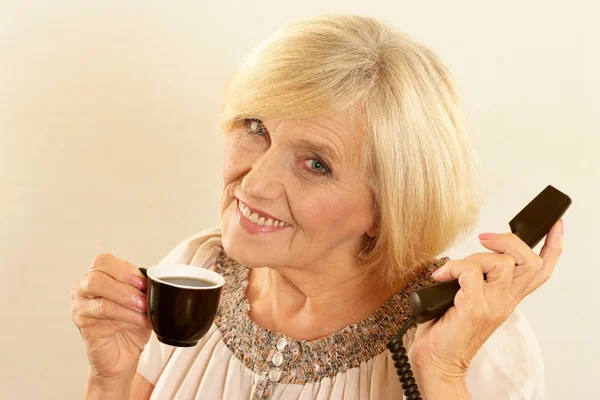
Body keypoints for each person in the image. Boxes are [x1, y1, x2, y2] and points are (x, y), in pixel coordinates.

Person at [70, 14, 563, 399]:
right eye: (256, 128)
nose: (255, 184)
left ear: (387, 205)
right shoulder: (195, 271)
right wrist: (108, 378)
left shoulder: (474, 338)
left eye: (315, 164)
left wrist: (443, 376)